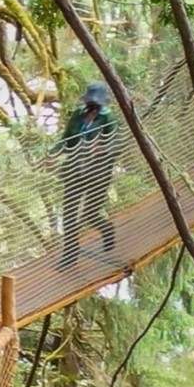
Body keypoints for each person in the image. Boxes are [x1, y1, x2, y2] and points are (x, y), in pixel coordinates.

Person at [54, 82, 120, 269]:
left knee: (90, 213)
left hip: (97, 174)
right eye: (90, 102)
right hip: (74, 170)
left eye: (95, 103)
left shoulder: (108, 118)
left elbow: (116, 146)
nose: (92, 106)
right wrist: (52, 154)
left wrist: (102, 148)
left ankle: (106, 229)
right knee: (69, 214)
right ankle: (70, 255)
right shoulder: (78, 115)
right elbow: (66, 139)